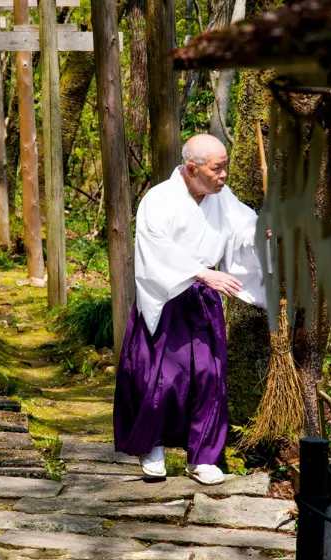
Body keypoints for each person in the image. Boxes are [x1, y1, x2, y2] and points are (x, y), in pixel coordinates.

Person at [113, 133, 267, 485]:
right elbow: (155, 247)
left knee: (209, 378)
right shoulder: (159, 199)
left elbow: (243, 227)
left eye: (225, 166)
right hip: (165, 297)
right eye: (217, 168)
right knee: (162, 379)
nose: (224, 175)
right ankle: (152, 447)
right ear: (192, 168)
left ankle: (203, 456)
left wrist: (263, 232)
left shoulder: (221, 198)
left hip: (203, 300)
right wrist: (201, 272)